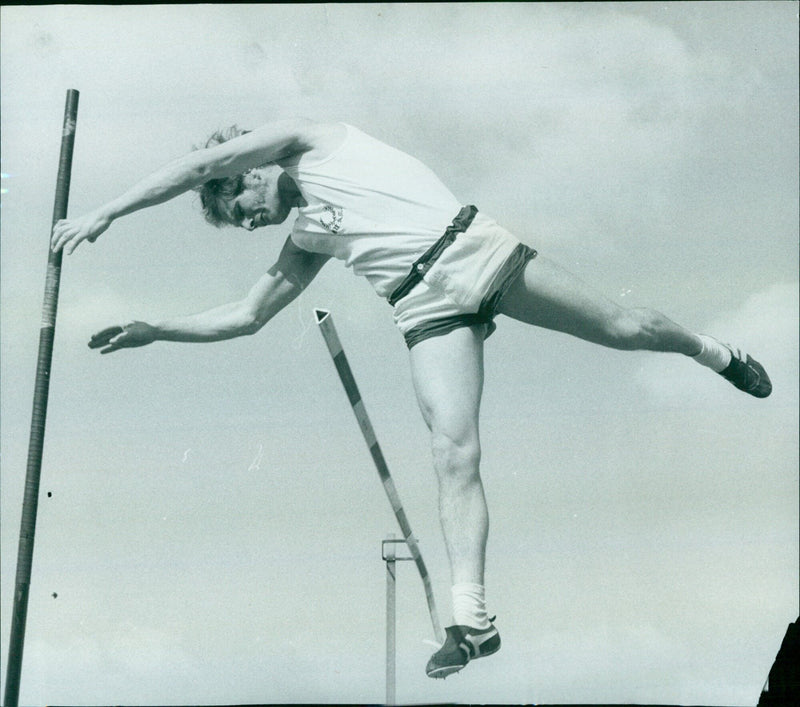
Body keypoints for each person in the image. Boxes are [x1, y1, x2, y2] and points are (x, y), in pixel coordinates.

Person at [51, 118, 772, 680]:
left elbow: (201, 165)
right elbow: (245, 315)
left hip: (468, 251)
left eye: (241, 205)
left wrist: (107, 212)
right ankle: (474, 619)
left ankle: (719, 353)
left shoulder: (312, 141)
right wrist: (155, 329)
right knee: (452, 450)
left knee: (628, 327)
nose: (250, 222)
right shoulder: (310, 233)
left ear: (249, 170)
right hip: (422, 305)